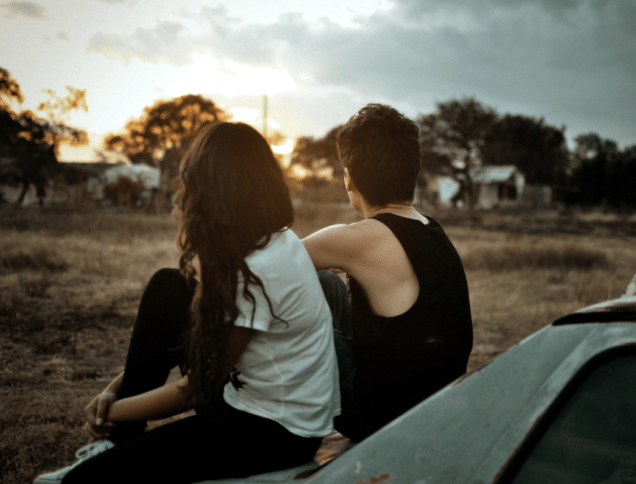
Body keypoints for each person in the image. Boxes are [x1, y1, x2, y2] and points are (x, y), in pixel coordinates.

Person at [34, 122, 340, 484]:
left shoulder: (256, 269)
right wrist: (114, 390)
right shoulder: (273, 239)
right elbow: (195, 341)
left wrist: (113, 410)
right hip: (248, 403)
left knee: (84, 482)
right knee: (169, 286)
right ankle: (118, 443)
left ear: (211, 194)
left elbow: (199, 386)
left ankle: (114, 446)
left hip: (276, 433)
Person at [302, 104, 473, 442]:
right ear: (412, 171)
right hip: (436, 405)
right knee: (325, 283)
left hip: (382, 418)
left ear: (349, 176)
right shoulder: (431, 228)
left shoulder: (361, 238)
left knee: (298, 293)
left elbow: (270, 264)